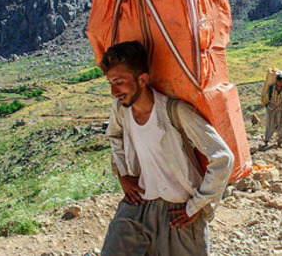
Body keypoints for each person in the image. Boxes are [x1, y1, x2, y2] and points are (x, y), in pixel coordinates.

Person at [99, 41, 234, 256]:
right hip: (140, 203)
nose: (114, 91)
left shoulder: (176, 112)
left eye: (119, 82)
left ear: (142, 79)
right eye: (110, 83)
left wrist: (195, 206)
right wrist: (123, 174)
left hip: (178, 211)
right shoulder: (121, 110)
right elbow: (114, 135)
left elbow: (223, 158)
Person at [263, 73, 282, 147]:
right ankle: (267, 140)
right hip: (271, 108)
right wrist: (268, 105)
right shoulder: (271, 89)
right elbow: (266, 98)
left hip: (281, 108)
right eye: (279, 81)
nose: (280, 83)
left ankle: (280, 141)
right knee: (270, 124)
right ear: (276, 81)